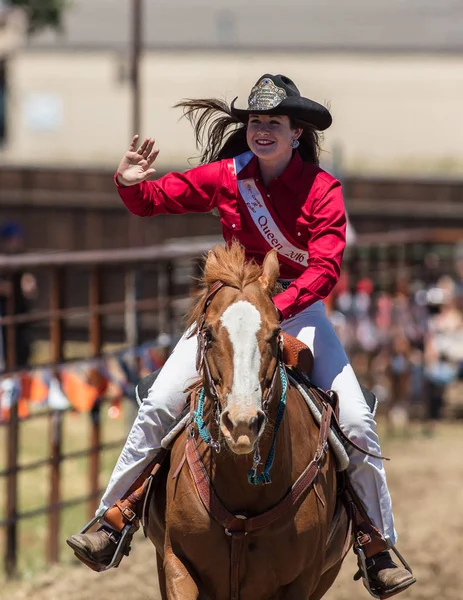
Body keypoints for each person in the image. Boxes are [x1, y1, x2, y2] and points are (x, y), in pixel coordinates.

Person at [67, 74, 415, 597]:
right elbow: (154, 201)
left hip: (293, 310)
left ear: (297, 132)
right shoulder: (227, 176)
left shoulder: (325, 191)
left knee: (357, 418)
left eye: (274, 122)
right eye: (256, 122)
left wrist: (272, 310)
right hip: (230, 314)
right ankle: (114, 517)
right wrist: (131, 183)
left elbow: (325, 268)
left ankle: (375, 543)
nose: (263, 130)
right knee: (161, 400)